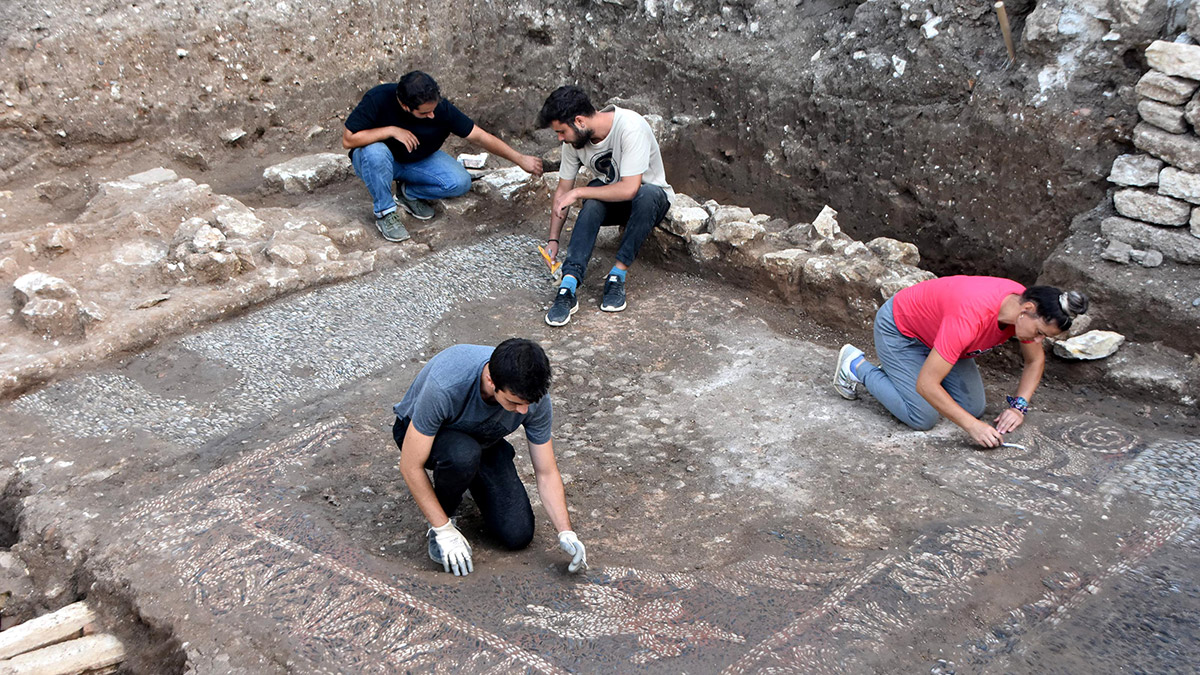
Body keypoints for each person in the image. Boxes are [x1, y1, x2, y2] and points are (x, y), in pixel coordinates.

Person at [391, 338, 586, 576]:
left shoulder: (532, 397)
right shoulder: (446, 385)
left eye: (528, 404)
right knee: (462, 455)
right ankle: (443, 519)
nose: (524, 411)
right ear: (490, 380)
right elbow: (410, 466)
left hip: (484, 440)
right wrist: (443, 529)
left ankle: (470, 472)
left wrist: (566, 532)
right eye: (515, 403)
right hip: (424, 435)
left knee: (517, 534)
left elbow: (546, 471)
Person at [833, 276, 1088, 448]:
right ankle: (856, 367)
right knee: (922, 416)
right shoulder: (970, 316)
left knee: (972, 406)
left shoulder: (1025, 311)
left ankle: (902, 375)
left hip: (939, 338)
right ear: (1028, 309)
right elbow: (927, 385)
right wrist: (973, 427)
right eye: (1040, 332)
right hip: (901, 330)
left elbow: (1034, 362)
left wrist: (1018, 407)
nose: (1039, 339)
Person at [343, 70, 543, 242]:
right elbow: (348, 140)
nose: (432, 115)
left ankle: (409, 193)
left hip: (417, 160)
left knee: (459, 182)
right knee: (375, 151)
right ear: (405, 106)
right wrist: (391, 131)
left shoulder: (440, 109)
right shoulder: (379, 97)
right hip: (377, 162)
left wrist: (519, 159)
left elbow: (480, 136)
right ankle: (385, 212)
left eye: (433, 110)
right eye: (424, 114)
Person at [536, 85, 673, 326]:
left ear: (579, 121)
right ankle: (568, 285)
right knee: (593, 203)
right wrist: (553, 241)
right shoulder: (574, 143)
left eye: (561, 131)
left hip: (649, 202)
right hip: (615, 201)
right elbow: (562, 191)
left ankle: (617, 275)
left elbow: (631, 188)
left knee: (646, 194)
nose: (560, 138)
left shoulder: (630, 126)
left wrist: (580, 191)